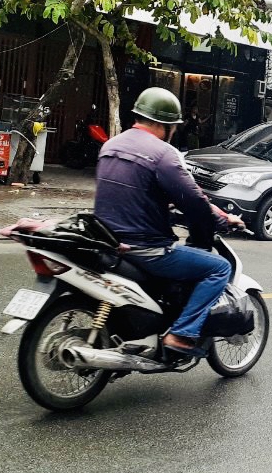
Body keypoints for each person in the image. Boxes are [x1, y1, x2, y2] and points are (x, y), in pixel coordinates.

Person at [93, 87, 243, 358]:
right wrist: (222, 219)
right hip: (146, 249)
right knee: (219, 267)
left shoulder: (110, 145)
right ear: (167, 126)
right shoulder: (163, 154)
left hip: (106, 240)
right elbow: (194, 201)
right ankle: (182, 333)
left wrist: (165, 206)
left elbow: (132, 193)